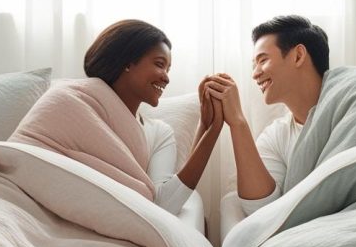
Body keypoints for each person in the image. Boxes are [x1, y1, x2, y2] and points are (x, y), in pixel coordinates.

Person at [84, 19, 224, 215]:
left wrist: (213, 130)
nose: (166, 77)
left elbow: (163, 205)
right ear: (127, 62)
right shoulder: (81, 106)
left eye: (168, 69)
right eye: (160, 64)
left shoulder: (159, 132)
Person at [203, 15, 329, 216]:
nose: (255, 73)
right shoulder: (276, 136)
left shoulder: (352, 101)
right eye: (254, 64)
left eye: (263, 60)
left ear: (298, 56)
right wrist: (237, 122)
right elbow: (260, 209)